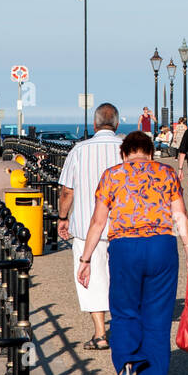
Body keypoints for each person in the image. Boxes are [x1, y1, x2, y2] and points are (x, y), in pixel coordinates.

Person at [77, 131, 188, 375]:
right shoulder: (166, 174)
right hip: (161, 247)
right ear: (151, 153)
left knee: (124, 311)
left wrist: (85, 260)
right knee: (158, 317)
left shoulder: (112, 175)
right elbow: (180, 215)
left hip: (125, 248)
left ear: (124, 153)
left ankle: (127, 363)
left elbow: (97, 223)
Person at [57, 102, 124, 349]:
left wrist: (63, 217)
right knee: (119, 278)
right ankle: (122, 326)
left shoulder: (79, 150)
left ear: (95, 124)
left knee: (91, 278)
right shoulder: (125, 149)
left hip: (87, 227)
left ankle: (100, 333)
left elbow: (67, 191)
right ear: (116, 124)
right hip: (122, 227)